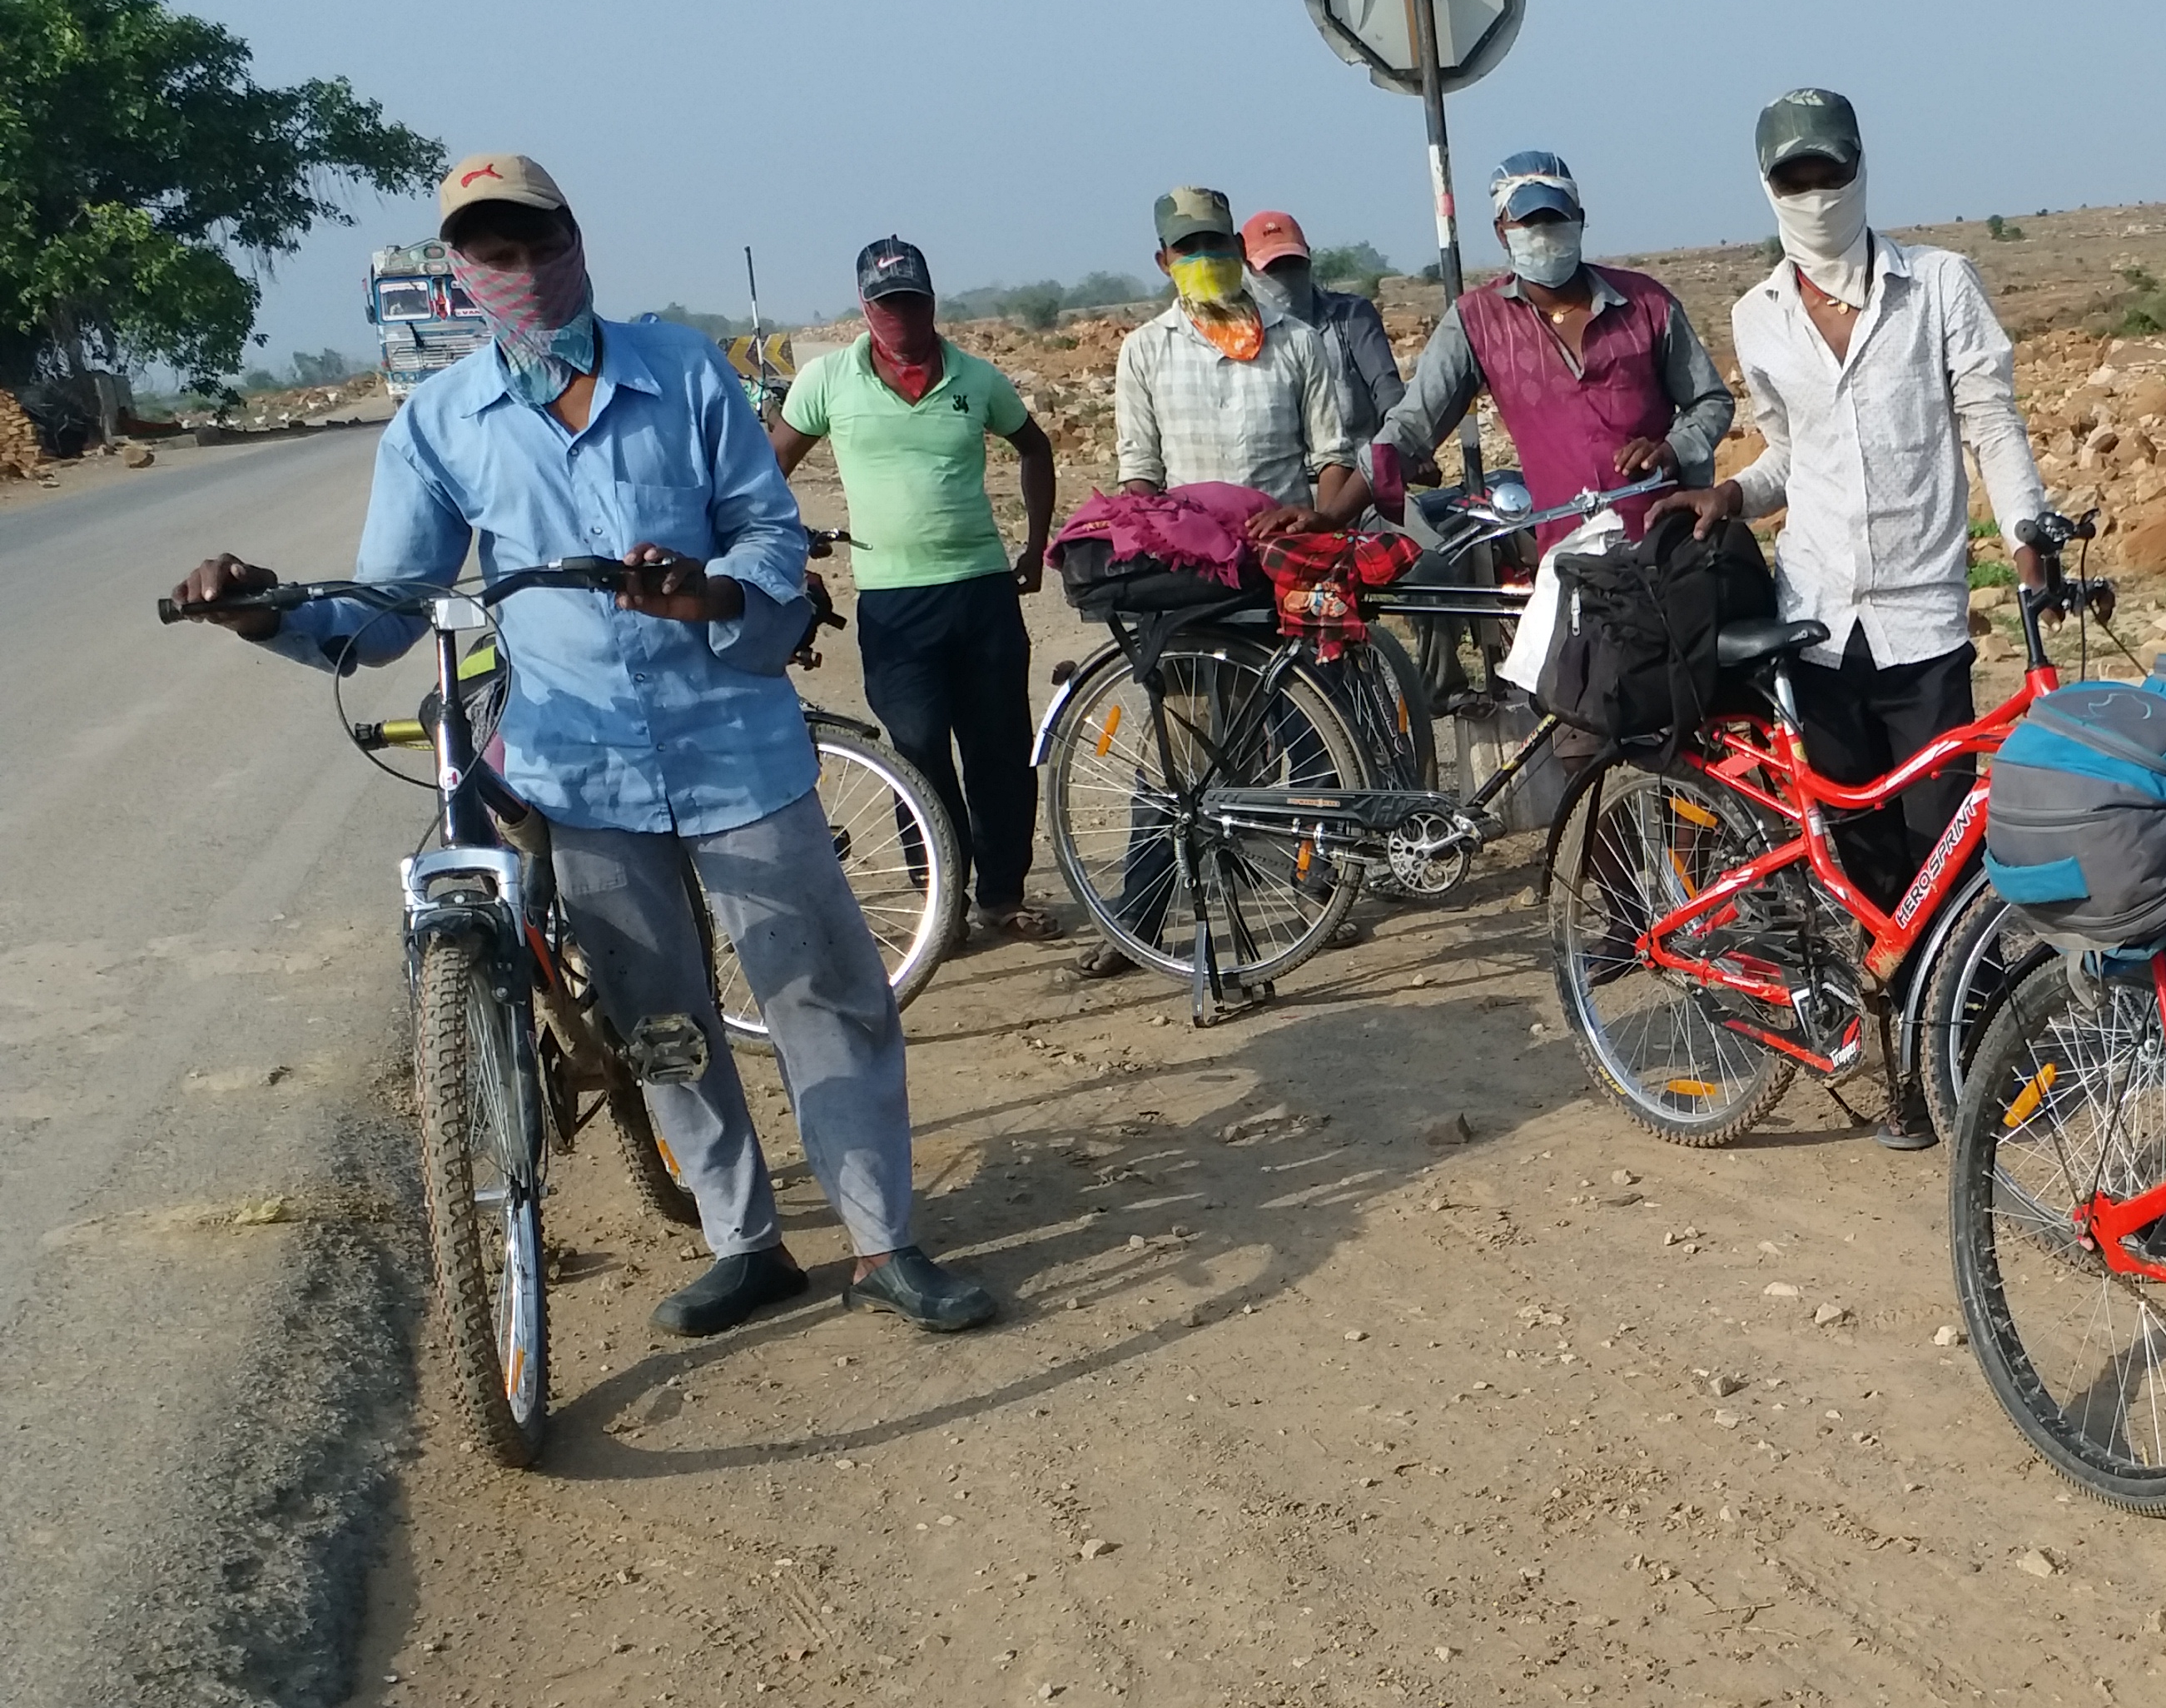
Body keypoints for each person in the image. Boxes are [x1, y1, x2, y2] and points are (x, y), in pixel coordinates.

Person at [168, 153, 996, 1337]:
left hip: (734, 746)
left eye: (537, 245)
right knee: (661, 1019)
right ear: (460, 273)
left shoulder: (684, 369)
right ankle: (744, 1242)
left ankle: (882, 1244)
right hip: (579, 764)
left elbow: (767, 528)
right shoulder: (442, 424)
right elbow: (393, 605)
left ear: (577, 241)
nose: (520, 274)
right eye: (490, 255)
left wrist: (710, 594)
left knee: (822, 990)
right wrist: (263, 610)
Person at [1648, 92, 2046, 1152]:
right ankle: (1905, 1083)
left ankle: (1978, 1057)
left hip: (1922, 621)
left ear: (1862, 170)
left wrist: (2029, 534)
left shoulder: (1939, 284)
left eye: (1828, 174)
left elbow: (1989, 422)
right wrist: (1736, 493)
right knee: (1863, 866)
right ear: (1768, 188)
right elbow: (1789, 458)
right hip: (1815, 623)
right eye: (1793, 179)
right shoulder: (1757, 314)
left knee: (1948, 859)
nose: (1814, 195)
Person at [768, 236, 1060, 946]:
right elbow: (766, 470)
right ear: (867, 306)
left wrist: (1033, 548)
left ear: (931, 302)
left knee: (998, 749)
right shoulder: (827, 382)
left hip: (983, 589)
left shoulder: (976, 378)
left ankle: (1002, 896)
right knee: (918, 749)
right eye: (887, 303)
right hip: (895, 602)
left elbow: (1035, 448)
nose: (901, 316)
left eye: (912, 302)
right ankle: (943, 904)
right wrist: (784, 553)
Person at [1378, 150, 1732, 545]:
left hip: (1664, 537)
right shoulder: (1476, 320)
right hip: (1565, 548)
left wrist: (1672, 448)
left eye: (1554, 219)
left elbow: (1712, 400)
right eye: (1529, 222)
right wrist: (1334, 514)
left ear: (1579, 221)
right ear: (1502, 231)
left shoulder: (1646, 304)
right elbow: (1411, 427)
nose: (1543, 232)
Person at [1113, 185, 1367, 526]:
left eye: (1214, 243)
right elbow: (1140, 468)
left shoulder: (1297, 340)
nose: (1203, 258)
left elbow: (1332, 452)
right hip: (1193, 553)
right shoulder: (1144, 349)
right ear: (1164, 262)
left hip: (1282, 545)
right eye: (1186, 248)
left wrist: (1319, 527)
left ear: (1238, 247)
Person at [1243, 209, 1402, 452]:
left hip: (1356, 469)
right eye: (1274, 269)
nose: (1286, 276)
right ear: (1247, 270)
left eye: (1294, 264)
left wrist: (1399, 437)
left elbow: (1385, 384)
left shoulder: (1350, 316)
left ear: (1309, 258)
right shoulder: (1241, 335)